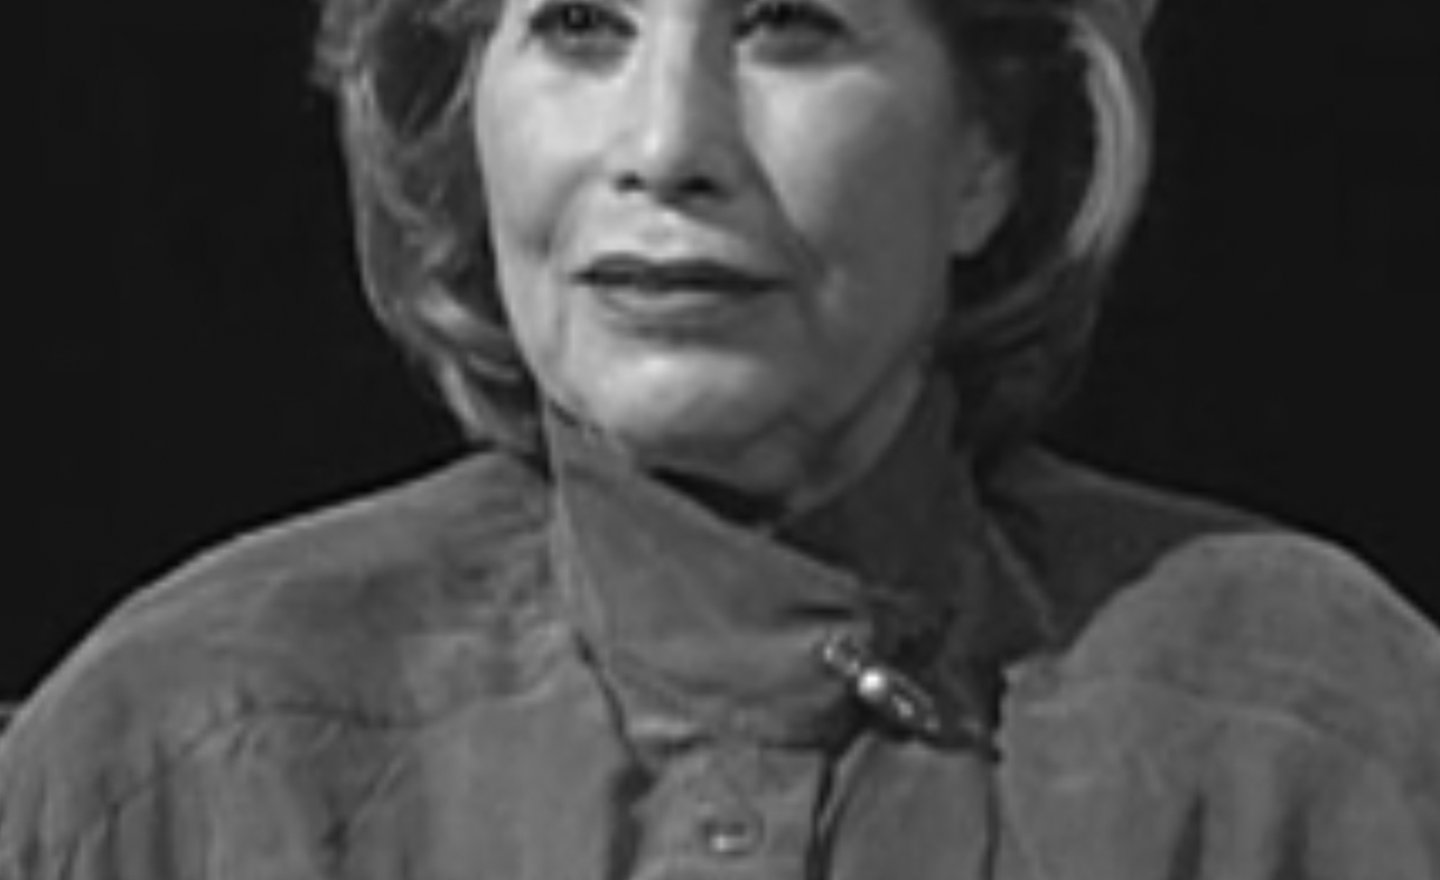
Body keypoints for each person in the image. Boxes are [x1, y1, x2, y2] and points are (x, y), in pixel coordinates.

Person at [4, 0, 1438, 876]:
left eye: (788, 25)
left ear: (988, 155)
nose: (666, 146)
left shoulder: (1313, 738)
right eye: (580, 25)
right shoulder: (180, 747)